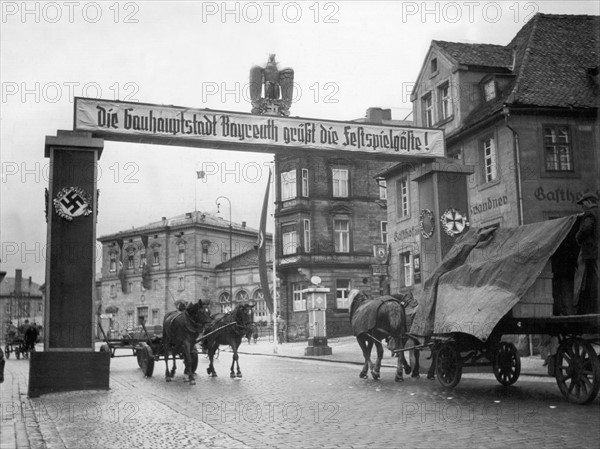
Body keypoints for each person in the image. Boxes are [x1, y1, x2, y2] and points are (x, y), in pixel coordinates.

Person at [573, 192, 599, 314]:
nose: (582, 207)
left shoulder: (590, 214)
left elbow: (586, 228)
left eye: (583, 204)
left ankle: (592, 307)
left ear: (589, 202)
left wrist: (578, 237)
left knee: (592, 280)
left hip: (591, 252)